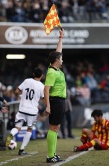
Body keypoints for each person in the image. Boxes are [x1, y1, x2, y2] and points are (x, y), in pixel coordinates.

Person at [5, 67, 44, 155]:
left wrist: (22, 94)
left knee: (17, 127)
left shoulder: (26, 81)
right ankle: (21, 150)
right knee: (29, 129)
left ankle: (9, 137)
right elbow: (43, 97)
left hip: (22, 109)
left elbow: (16, 91)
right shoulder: (42, 86)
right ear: (42, 76)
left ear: (33, 74)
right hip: (32, 111)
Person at [44, 28, 66, 163]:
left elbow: (58, 52)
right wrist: (48, 106)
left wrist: (61, 38)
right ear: (57, 60)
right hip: (55, 101)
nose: (62, 59)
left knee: (56, 127)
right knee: (53, 127)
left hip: (60, 101)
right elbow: (46, 89)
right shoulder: (52, 72)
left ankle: (53, 154)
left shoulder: (55, 68)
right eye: (61, 58)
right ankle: (50, 156)